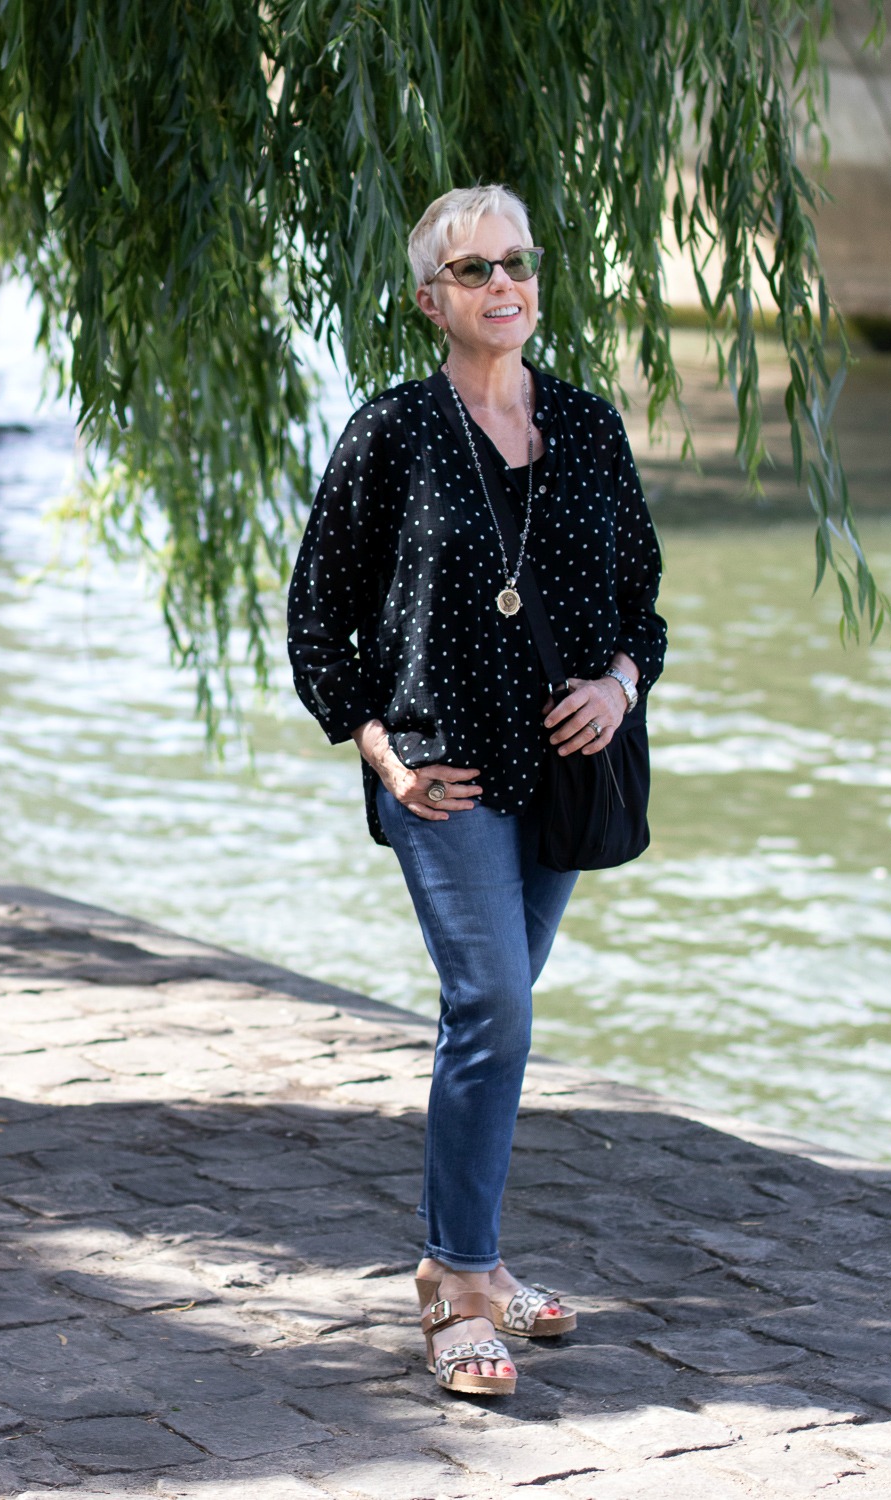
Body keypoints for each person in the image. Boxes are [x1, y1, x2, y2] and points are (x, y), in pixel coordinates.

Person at [287, 184, 666, 1397]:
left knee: (490, 1026)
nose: (503, 286)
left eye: (518, 264)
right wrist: (384, 757)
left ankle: (478, 1271)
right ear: (428, 299)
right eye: (473, 271)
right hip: (442, 774)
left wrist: (617, 684)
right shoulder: (391, 432)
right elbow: (317, 620)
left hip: (563, 772)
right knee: (494, 1004)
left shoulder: (589, 428)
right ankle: (456, 1280)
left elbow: (642, 608)